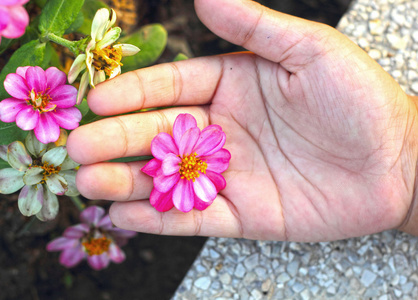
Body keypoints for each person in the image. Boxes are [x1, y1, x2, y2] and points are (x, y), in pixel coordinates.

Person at [66, 0, 418, 242]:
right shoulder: (192, 161)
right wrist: (406, 163)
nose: (193, 165)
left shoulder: (195, 167)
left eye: (193, 164)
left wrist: (407, 165)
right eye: (192, 164)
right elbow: (192, 159)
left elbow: (201, 170)